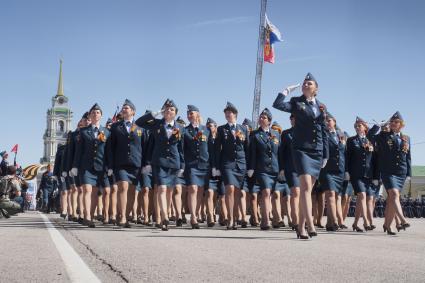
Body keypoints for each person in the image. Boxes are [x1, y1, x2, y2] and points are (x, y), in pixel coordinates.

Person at [273, 73, 329, 239]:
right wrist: (285, 91)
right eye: (304, 83)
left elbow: (323, 131)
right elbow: (277, 104)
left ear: (316, 89)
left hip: (316, 151)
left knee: (308, 190)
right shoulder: (296, 102)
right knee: (304, 187)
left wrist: (325, 153)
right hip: (301, 150)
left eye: (309, 83)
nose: (305, 85)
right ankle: (310, 225)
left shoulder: (321, 107)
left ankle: (301, 227)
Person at [135, 99, 185, 231]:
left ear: (175, 113)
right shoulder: (156, 124)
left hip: (174, 163)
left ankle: (166, 214)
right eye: (166, 109)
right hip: (159, 162)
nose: (169, 111)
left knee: (169, 191)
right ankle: (164, 217)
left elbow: (181, 148)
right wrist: (155, 113)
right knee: (162, 188)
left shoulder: (180, 128)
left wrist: (182, 166)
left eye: (172, 109)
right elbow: (139, 122)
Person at [71, 103, 111, 228]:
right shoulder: (83, 131)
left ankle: (91, 215)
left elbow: (109, 151)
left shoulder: (107, 132)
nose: (95, 114)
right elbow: (79, 150)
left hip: (100, 166)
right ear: (90, 115)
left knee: (94, 193)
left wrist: (110, 166)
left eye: (98, 112)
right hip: (86, 166)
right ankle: (87, 216)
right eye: (93, 112)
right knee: (87, 190)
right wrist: (75, 166)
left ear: (101, 116)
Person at [107, 99, 144, 228]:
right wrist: (110, 165)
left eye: (127, 108)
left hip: (136, 164)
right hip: (120, 163)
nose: (124, 109)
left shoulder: (140, 127)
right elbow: (111, 147)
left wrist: (145, 164)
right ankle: (122, 216)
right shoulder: (116, 127)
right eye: (123, 108)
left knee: (132, 192)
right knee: (123, 187)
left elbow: (144, 147)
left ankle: (126, 216)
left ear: (133, 111)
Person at [374, 111, 411, 235]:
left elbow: (408, 157)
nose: (394, 124)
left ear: (401, 124)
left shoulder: (406, 138)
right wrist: (378, 126)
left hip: (401, 172)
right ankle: (402, 220)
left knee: (391, 200)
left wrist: (409, 174)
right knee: (394, 195)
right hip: (388, 172)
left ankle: (387, 225)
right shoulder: (384, 136)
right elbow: (370, 136)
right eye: (392, 122)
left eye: (396, 122)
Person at [215, 102, 249, 230]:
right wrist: (217, 166)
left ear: (235, 114)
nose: (228, 114)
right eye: (226, 113)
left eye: (230, 112)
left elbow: (247, 148)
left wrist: (249, 166)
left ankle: (235, 218)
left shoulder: (243, 129)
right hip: (227, 163)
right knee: (229, 189)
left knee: (237, 192)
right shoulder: (221, 129)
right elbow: (217, 148)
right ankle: (230, 219)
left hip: (240, 164)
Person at [248, 108, 281, 230]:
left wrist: (282, 169)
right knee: (266, 193)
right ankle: (265, 220)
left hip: (275, 169)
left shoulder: (276, 134)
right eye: (260, 117)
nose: (261, 119)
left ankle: (276, 218)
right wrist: (251, 168)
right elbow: (252, 153)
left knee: (274, 194)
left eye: (264, 118)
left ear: (269, 121)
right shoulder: (254, 134)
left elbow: (280, 153)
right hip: (262, 169)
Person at [183, 105, 212, 229]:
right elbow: (182, 149)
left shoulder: (206, 130)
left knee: (200, 190)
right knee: (193, 189)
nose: (189, 115)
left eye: (192, 113)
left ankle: (197, 211)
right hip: (191, 164)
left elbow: (211, 148)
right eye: (188, 113)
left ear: (198, 115)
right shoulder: (184, 131)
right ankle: (193, 217)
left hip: (204, 164)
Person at [319, 113, 346, 231]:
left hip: (339, 170)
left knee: (335, 196)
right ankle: (335, 221)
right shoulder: (322, 134)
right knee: (330, 195)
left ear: (334, 121)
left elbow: (346, 154)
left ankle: (329, 224)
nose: (327, 122)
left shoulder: (342, 135)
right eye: (325, 121)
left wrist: (347, 171)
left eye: (329, 120)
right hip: (327, 169)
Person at [280, 115, 300, 230]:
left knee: (302, 194)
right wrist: (282, 168)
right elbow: (282, 152)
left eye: (295, 118)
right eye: (291, 119)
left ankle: (302, 219)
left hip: (304, 168)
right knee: (295, 193)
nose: (293, 120)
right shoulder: (286, 133)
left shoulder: (305, 132)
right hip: (291, 168)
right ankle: (295, 220)